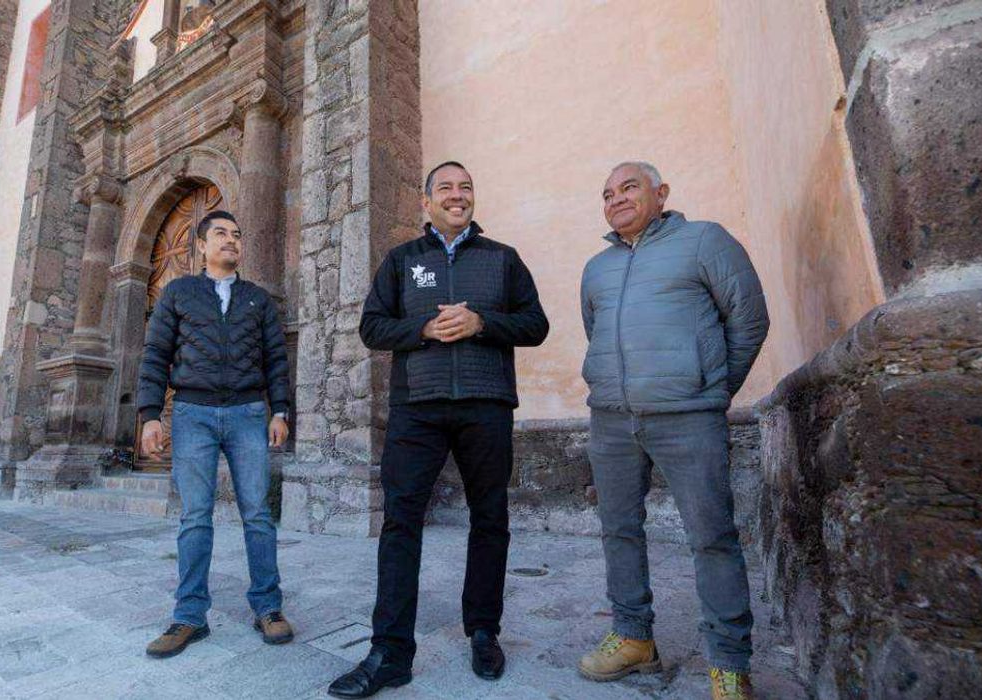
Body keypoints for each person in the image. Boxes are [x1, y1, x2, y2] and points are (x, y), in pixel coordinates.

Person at [327, 161, 550, 698]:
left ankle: (483, 632)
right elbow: (372, 327)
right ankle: (390, 653)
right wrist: (424, 328)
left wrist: (482, 323)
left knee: (490, 519)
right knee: (400, 523)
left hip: (486, 404)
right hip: (417, 409)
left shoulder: (503, 258)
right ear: (425, 203)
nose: (457, 194)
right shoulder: (402, 260)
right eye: (445, 187)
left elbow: (535, 325)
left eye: (465, 187)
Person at [577, 162, 769, 700]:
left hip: (689, 418)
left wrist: (710, 387)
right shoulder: (596, 268)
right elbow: (596, 332)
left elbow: (749, 319)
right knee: (618, 529)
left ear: (661, 193)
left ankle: (729, 662)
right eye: (607, 193)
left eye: (629, 187)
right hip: (612, 420)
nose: (616, 199)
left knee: (711, 536)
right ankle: (633, 636)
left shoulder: (704, 240)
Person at [138, 210, 294, 658]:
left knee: (257, 514)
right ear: (202, 245)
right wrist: (151, 414)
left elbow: (275, 359)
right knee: (194, 517)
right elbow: (156, 353)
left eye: (237, 235)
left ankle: (268, 607)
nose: (231, 240)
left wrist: (280, 411)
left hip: (248, 413)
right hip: (193, 414)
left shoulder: (257, 299)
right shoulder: (178, 292)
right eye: (221, 234)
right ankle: (189, 616)